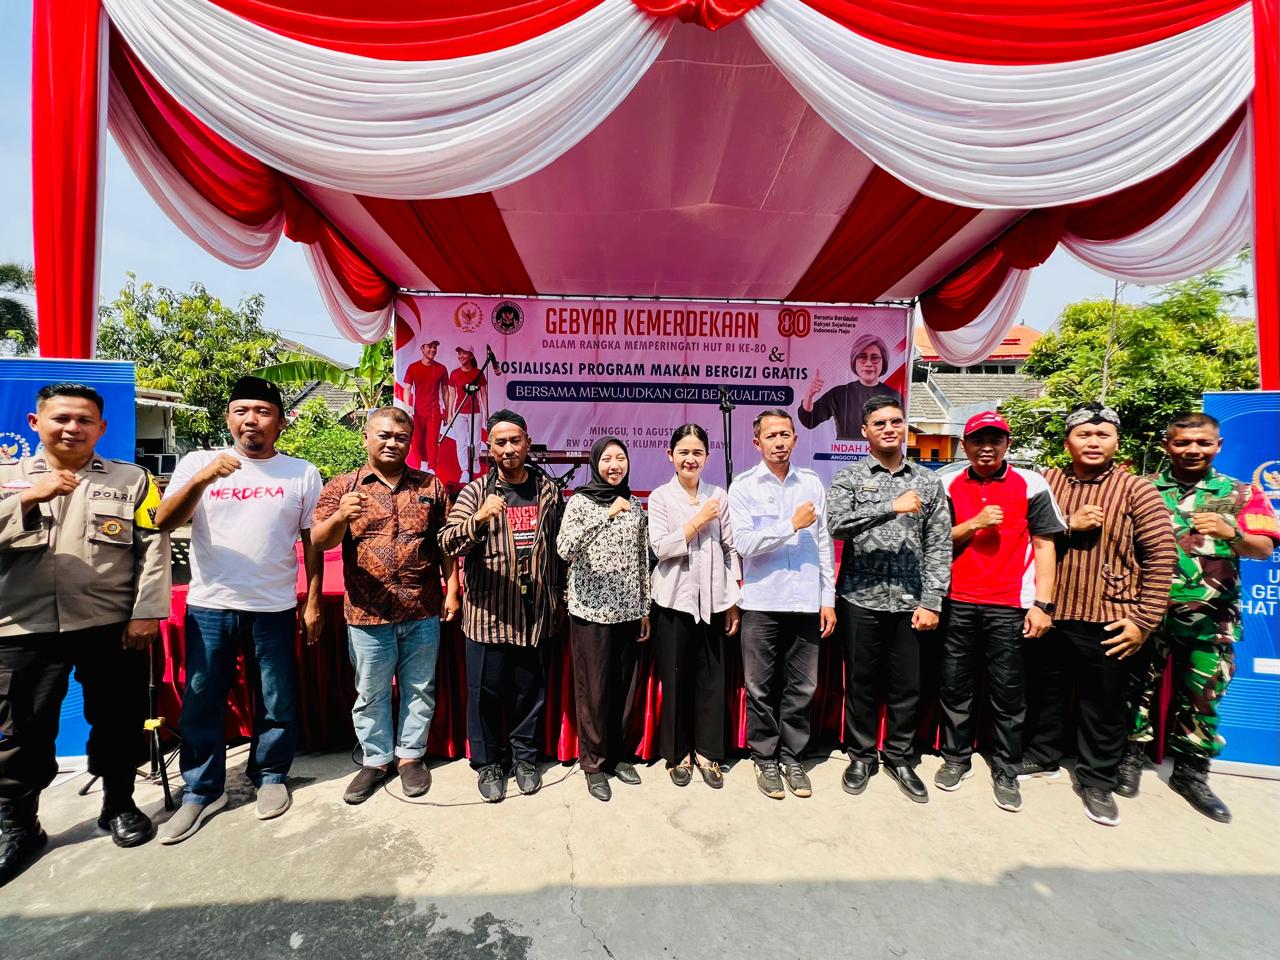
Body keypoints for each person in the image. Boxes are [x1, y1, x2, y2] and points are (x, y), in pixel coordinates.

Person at [0, 384, 170, 885]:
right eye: (61, 418)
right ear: (36, 423)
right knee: (20, 730)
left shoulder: (131, 480)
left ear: (101, 427)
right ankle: (19, 824)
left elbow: (153, 547)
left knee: (119, 720)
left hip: (109, 623)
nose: (72, 428)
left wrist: (147, 612)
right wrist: (27, 499)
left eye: (84, 420)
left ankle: (119, 803)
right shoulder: (7, 478)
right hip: (23, 626)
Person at [154, 376, 324, 843]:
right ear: (229, 418)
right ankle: (202, 790)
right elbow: (164, 520)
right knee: (202, 698)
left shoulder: (301, 472)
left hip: (273, 605)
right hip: (211, 605)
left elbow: (312, 541)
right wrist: (205, 478)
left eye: (263, 411)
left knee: (275, 697)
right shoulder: (199, 462)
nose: (252, 419)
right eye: (241, 410)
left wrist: (312, 601)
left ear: (281, 422)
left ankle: (270, 774)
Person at [1020, 404, 1177, 827]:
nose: (1093, 442)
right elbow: (1024, 536)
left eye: (1103, 435)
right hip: (1050, 608)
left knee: (1103, 704)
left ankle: (1096, 780)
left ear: (1116, 442)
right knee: (1046, 691)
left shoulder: (1136, 490)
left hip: (1110, 613)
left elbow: (1162, 557)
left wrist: (1143, 621)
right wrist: (1068, 525)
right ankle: (1043, 754)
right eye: (1084, 435)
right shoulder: (1047, 482)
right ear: (1067, 441)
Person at [1122, 412, 1279, 822]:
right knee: (1136, 688)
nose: (1193, 450)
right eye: (1183, 442)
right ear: (1167, 445)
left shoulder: (1240, 492)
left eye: (1203, 443)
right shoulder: (1143, 489)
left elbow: (1264, 549)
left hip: (1212, 615)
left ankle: (1192, 772)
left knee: (1204, 694)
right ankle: (1129, 758)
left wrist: (1233, 534)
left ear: (1218, 445)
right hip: (1147, 611)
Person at [311, 407, 460, 805]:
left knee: (420, 688)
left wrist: (452, 588)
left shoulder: (430, 485)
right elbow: (319, 541)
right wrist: (341, 517)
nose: (393, 442)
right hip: (367, 612)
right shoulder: (343, 487)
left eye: (401, 437)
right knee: (371, 691)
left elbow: (444, 543)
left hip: (422, 607)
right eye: (384, 435)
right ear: (366, 437)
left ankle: (410, 756)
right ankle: (375, 760)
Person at [937, 411, 1065, 813]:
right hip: (958, 599)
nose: (986, 448)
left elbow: (1045, 546)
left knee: (1008, 691)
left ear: (1008, 444)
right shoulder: (947, 482)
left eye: (995, 440)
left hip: (1011, 603)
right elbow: (937, 541)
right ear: (964, 445)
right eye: (978, 440)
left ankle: (1006, 767)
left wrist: (1043, 604)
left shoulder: (1031, 483)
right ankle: (955, 758)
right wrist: (974, 523)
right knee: (955, 686)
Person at [826, 397, 951, 804]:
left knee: (906, 686)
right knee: (860, 683)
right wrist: (890, 507)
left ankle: (899, 757)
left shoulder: (928, 481)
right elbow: (836, 525)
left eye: (896, 421)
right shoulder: (849, 477)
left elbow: (939, 543)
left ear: (904, 427)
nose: (889, 429)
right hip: (860, 598)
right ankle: (861, 756)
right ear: (865, 431)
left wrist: (932, 600)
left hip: (912, 601)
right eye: (879, 423)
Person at [439, 409, 564, 802]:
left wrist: (559, 596)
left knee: (530, 692)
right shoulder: (476, 492)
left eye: (515, 441)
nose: (509, 449)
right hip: (489, 613)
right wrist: (477, 519)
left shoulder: (548, 489)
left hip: (535, 613)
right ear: (490, 448)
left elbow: (559, 547)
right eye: (501, 442)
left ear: (527, 442)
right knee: (486, 693)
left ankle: (525, 759)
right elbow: (447, 541)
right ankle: (489, 762)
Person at [728, 409, 836, 800]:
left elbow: (823, 544)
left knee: (802, 687)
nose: (779, 442)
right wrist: (790, 524)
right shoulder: (743, 487)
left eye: (785, 434)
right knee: (759, 688)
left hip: (806, 601)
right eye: (771, 436)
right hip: (762, 602)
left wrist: (828, 599)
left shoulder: (811, 483)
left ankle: (792, 756)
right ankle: (765, 758)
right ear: (757, 442)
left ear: (795, 438)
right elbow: (744, 545)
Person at [557, 437, 651, 802]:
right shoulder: (580, 502)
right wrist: (606, 514)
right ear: (596, 463)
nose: (615, 465)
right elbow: (565, 549)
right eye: (607, 459)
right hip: (591, 611)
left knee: (623, 689)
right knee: (594, 691)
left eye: (620, 458)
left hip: (628, 610)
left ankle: (618, 756)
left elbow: (642, 559)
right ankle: (593, 763)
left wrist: (644, 608)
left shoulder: (635, 503)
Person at [648, 424, 741, 789]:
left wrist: (732, 602)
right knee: (675, 680)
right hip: (674, 602)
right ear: (670, 456)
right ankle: (677, 754)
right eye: (683, 452)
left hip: (715, 601)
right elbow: (661, 548)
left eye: (697, 453)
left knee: (712, 680)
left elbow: (731, 550)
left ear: (707, 456)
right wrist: (699, 520)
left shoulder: (719, 495)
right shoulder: (660, 497)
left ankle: (708, 752)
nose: (690, 459)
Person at [798, 333, 903, 440]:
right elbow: (809, 421)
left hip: (880, 451)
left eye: (874, 358)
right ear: (854, 361)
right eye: (862, 357)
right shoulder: (839, 394)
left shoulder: (894, 396)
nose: (868, 363)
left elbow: (898, 433)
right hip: (845, 451)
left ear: (883, 362)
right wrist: (809, 395)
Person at [403, 339, 449, 471]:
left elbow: (445, 390)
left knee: (432, 441)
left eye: (435, 347)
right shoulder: (413, 367)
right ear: (422, 348)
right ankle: (423, 465)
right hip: (418, 412)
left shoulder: (441, 368)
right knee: (417, 441)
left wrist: (447, 410)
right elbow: (407, 388)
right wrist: (407, 406)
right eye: (429, 347)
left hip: (434, 411)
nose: (433, 350)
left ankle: (431, 468)